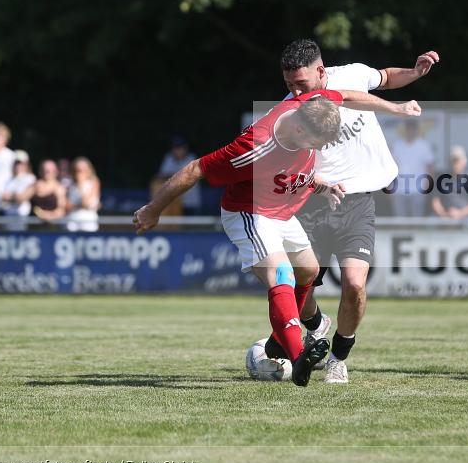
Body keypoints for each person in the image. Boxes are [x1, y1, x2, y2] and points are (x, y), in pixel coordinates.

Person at [134, 88, 421, 387]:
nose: (320, 150)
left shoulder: (313, 106)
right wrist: (154, 210)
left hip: (283, 212)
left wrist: (324, 185)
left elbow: (345, 97)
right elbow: (196, 168)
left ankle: (306, 328)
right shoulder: (255, 145)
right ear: (299, 128)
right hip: (250, 213)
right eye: (317, 143)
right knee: (281, 273)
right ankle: (298, 356)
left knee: (309, 270)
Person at [279, 38, 438, 384]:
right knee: (299, 287)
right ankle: (315, 326)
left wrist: (413, 72)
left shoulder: (351, 75)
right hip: (313, 205)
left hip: (359, 202)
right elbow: (288, 166)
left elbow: (385, 77)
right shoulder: (287, 113)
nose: (295, 91)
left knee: (354, 285)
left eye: (301, 84)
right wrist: (318, 181)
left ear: (321, 71)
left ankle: (337, 358)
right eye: (288, 84)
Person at [388, 120, 436, 217]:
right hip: (399, 190)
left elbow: (430, 167)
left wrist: (428, 186)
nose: (411, 131)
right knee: (400, 221)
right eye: (408, 128)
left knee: (417, 221)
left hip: (418, 189)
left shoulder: (424, 146)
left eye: (413, 129)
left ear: (417, 130)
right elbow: (390, 167)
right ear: (405, 130)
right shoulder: (397, 145)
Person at [431, 146, 468, 222]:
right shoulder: (441, 178)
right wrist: (444, 215)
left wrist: (460, 214)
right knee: (430, 221)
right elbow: (435, 201)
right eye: (453, 161)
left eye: (458, 160)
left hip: (466, 217)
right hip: (444, 216)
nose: (455, 164)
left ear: (464, 161)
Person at [157, 137, 202, 215]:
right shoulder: (169, 158)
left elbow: (186, 177)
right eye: (175, 148)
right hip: (174, 203)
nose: (177, 151)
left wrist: (170, 175)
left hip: (190, 202)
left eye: (180, 148)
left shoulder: (192, 159)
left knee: (192, 226)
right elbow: (160, 177)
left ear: (185, 149)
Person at [1, 150, 36, 230]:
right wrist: (15, 197)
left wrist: (11, 197)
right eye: (16, 163)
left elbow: (21, 198)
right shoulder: (8, 180)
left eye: (20, 163)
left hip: (23, 219)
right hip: (8, 219)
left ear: (26, 164)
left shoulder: (30, 178)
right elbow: (3, 198)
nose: (18, 166)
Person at [66, 157, 101, 232]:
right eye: (77, 170)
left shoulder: (94, 182)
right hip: (72, 221)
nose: (80, 173)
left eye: (82, 170)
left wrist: (80, 184)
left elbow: (86, 202)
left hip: (88, 222)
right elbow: (67, 206)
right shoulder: (70, 185)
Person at [29, 159, 67, 225]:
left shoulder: (59, 188)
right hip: (34, 226)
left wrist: (48, 215)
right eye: (44, 170)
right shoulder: (34, 185)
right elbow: (20, 199)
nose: (46, 172)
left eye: (49, 170)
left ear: (55, 172)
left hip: (53, 226)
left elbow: (61, 210)